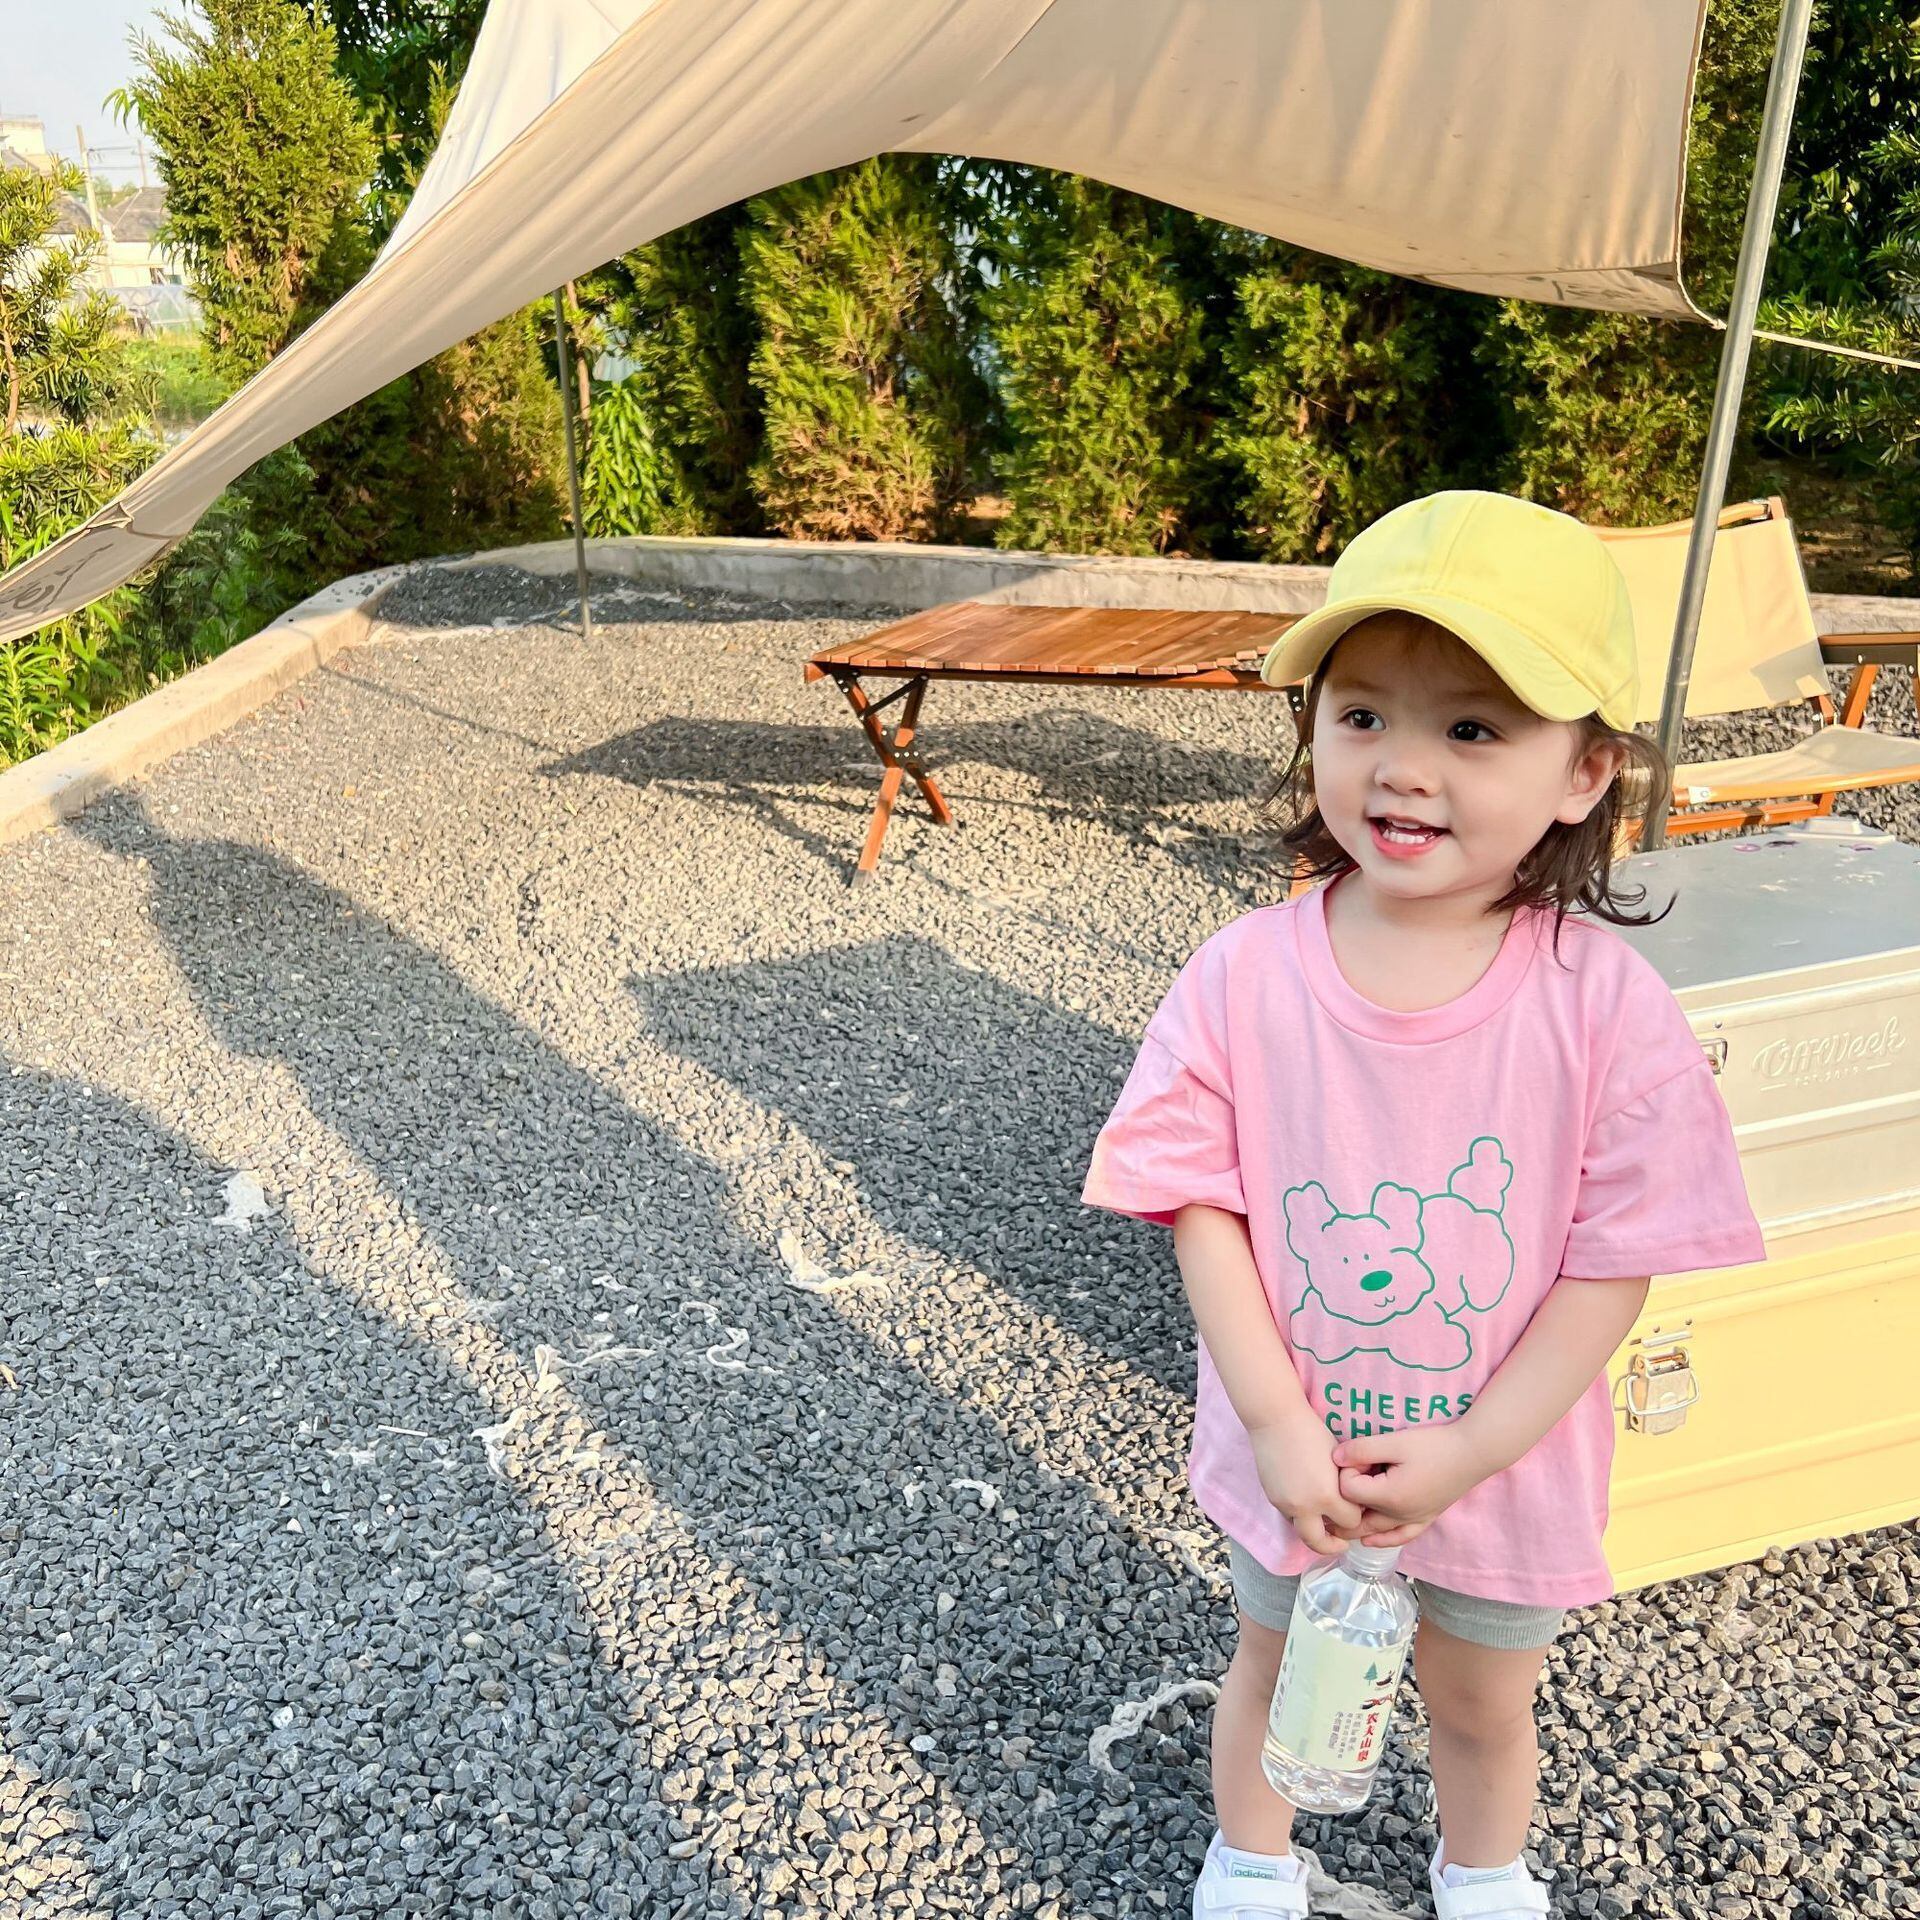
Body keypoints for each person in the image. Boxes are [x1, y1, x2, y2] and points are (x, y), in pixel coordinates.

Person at [1078, 491, 1767, 1920]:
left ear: (1587, 770)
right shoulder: (1241, 975)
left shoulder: (1606, 1007)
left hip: (1507, 1467)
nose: (1402, 767)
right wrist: (1275, 1419)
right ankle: (1252, 1856)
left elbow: (1615, 1263)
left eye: (1472, 728)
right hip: (1302, 1465)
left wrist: (1472, 1447)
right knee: (1275, 1668)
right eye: (1362, 715)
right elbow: (1200, 1206)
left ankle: (1485, 1867)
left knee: (1483, 1706)